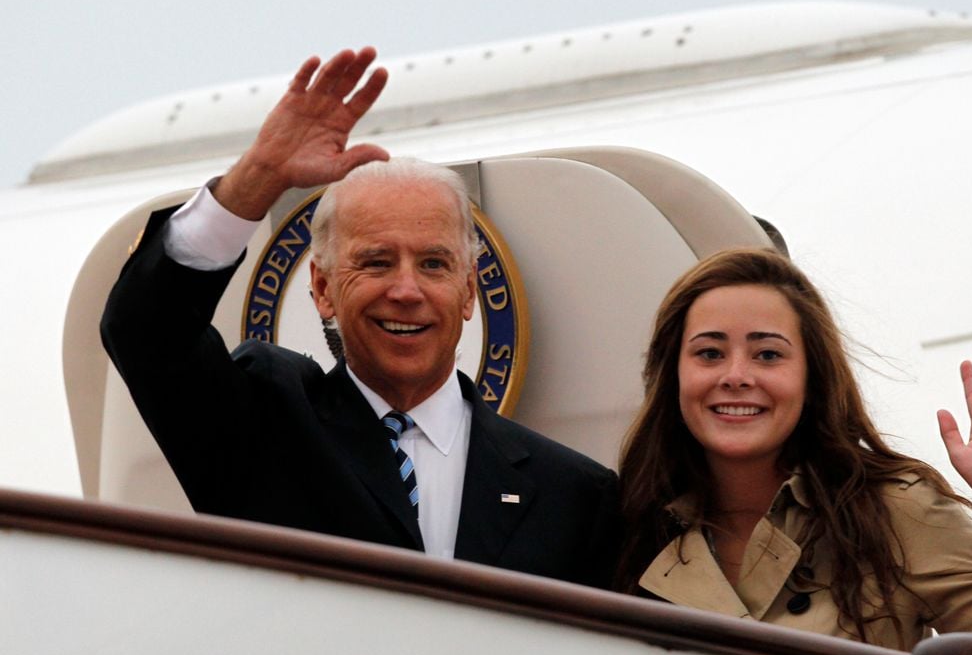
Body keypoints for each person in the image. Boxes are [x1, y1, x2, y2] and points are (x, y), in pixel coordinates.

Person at [101, 48, 617, 587]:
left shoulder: (575, 494)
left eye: (434, 264)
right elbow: (146, 330)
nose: (405, 290)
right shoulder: (265, 427)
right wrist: (256, 179)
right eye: (376, 262)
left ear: (469, 292)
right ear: (322, 289)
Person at [615, 248, 972, 652]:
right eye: (709, 353)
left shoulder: (893, 507)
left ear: (812, 378)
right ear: (672, 375)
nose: (736, 375)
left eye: (768, 354)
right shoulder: (625, 523)